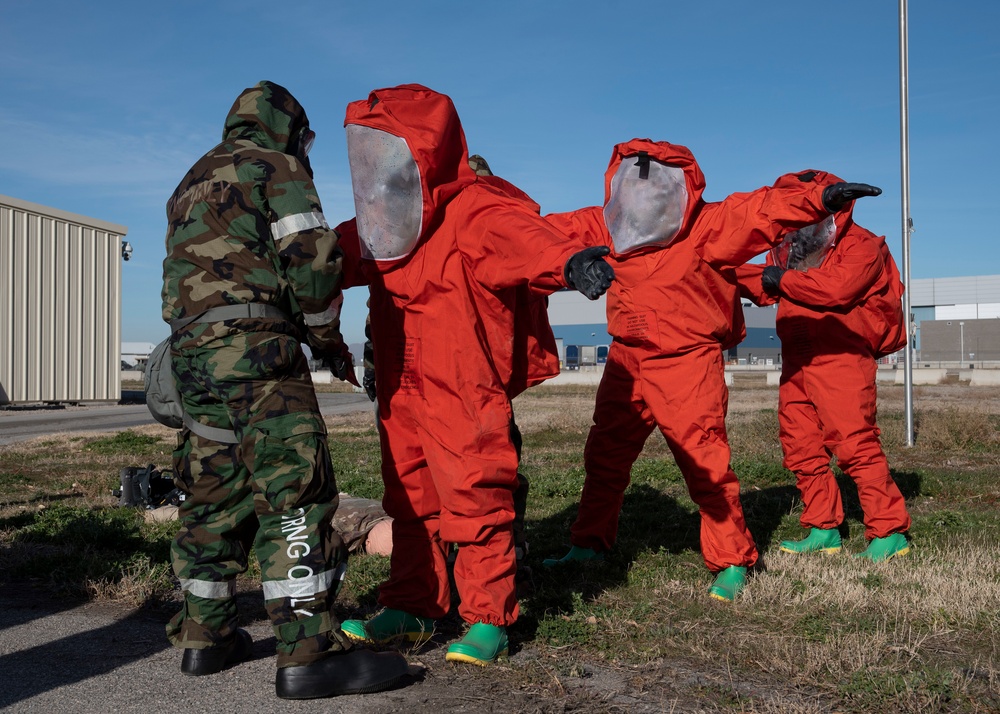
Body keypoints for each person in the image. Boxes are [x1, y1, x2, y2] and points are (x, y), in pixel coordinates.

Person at [335, 84, 614, 666]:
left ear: (423, 149)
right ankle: (413, 604)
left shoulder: (473, 209)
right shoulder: (387, 218)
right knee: (409, 497)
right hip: (401, 384)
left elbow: (521, 238)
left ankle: (488, 617)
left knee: (476, 492)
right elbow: (333, 253)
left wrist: (566, 262)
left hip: (462, 385)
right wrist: (270, 262)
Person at [541, 139, 882, 601]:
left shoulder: (707, 226)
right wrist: (562, 261)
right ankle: (589, 543)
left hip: (686, 359)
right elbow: (539, 234)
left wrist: (820, 198)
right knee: (604, 456)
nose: (644, 199)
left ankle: (731, 559)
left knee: (704, 463)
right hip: (626, 356)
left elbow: (759, 211)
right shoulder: (606, 225)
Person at [160, 80, 408, 699]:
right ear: (289, 129)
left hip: (191, 354)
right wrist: (326, 339)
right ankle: (307, 654)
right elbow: (311, 257)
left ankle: (204, 637)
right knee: (294, 490)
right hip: (255, 351)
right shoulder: (277, 166)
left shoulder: (189, 181)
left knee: (213, 489)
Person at [735, 171, 911, 562]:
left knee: (854, 444)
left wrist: (779, 278)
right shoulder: (793, 247)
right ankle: (823, 527)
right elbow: (765, 284)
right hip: (798, 358)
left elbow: (836, 289)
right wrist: (722, 270)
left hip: (841, 357)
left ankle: (889, 530)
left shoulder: (863, 245)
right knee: (801, 445)